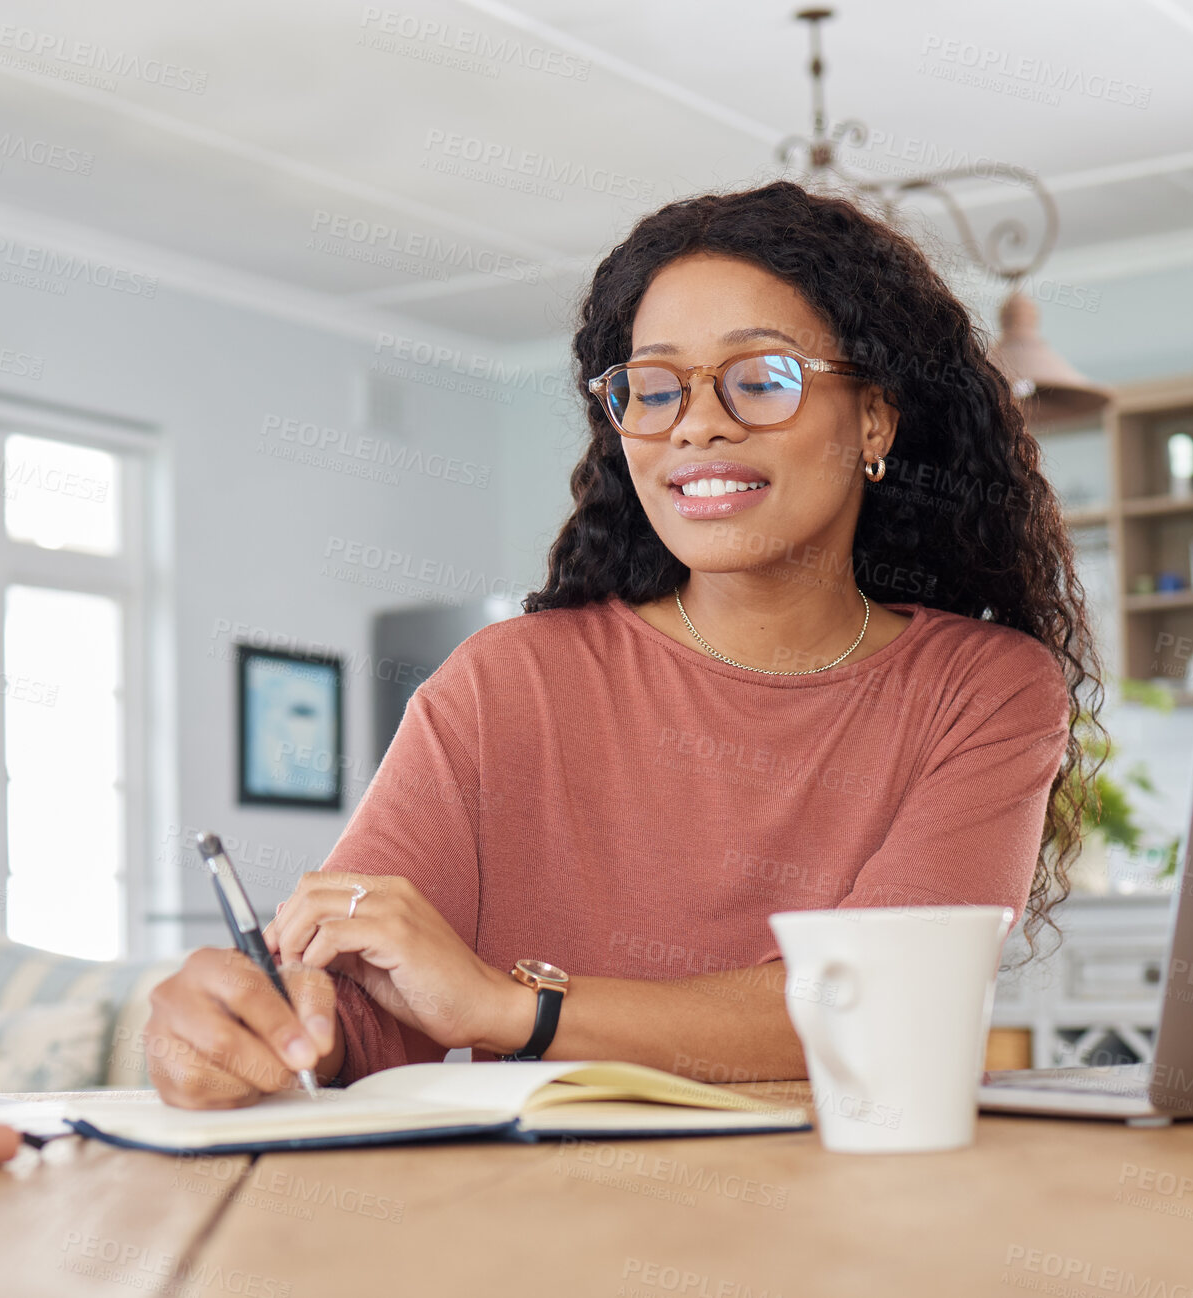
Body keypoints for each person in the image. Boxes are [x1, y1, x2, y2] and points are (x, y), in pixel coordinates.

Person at [145, 181, 1103, 1108]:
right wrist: (249, 1028)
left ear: (874, 418)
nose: (695, 423)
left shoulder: (983, 690)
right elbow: (368, 1004)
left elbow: (887, 1012)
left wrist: (507, 1006)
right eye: (651, 390)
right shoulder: (504, 683)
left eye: (760, 378)